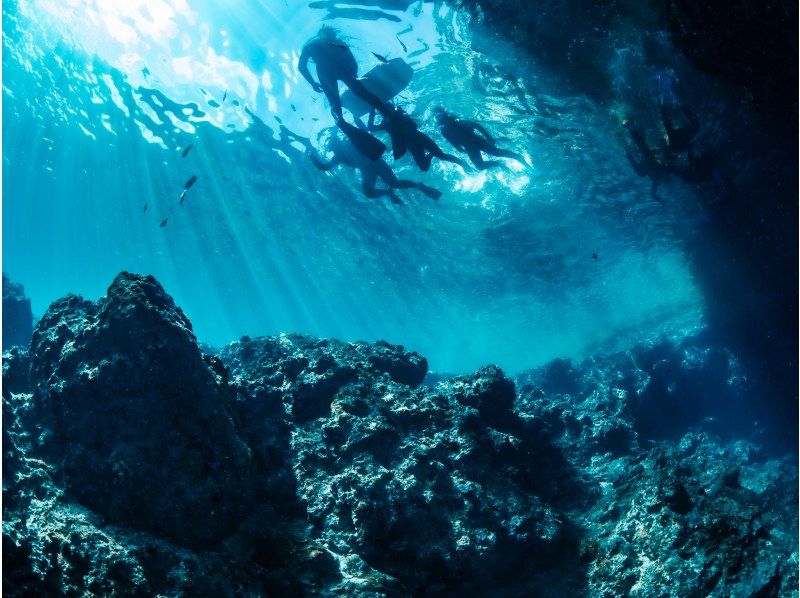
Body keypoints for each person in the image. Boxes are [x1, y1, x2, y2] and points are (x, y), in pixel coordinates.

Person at [298, 27, 387, 159]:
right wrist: (312, 82)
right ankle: (384, 112)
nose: (330, 36)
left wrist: (313, 83)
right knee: (359, 96)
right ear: (324, 35)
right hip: (338, 72)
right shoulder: (318, 45)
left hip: (333, 74)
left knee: (342, 102)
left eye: (331, 35)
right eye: (330, 34)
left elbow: (302, 66)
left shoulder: (315, 46)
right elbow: (302, 66)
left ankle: (343, 121)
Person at [308, 130, 442, 203]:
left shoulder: (346, 147)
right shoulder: (340, 154)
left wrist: (312, 156)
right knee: (371, 191)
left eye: (332, 147)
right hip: (373, 166)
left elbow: (324, 167)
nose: (333, 150)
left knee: (392, 184)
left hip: (375, 163)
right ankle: (393, 191)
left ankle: (418, 186)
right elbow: (324, 167)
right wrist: (313, 157)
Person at [367, 104, 467, 171]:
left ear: (392, 109)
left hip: (420, 138)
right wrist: (371, 113)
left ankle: (461, 163)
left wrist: (399, 111)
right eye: (383, 112)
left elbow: (412, 118)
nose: (385, 112)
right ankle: (432, 153)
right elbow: (371, 127)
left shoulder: (400, 114)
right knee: (424, 168)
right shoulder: (385, 123)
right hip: (411, 145)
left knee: (441, 155)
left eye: (388, 109)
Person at [433, 108, 527, 170]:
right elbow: (452, 142)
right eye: (436, 116)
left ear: (445, 114)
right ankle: (498, 163)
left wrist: (489, 137)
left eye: (439, 114)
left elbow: (477, 125)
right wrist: (459, 149)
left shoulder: (460, 122)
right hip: (469, 147)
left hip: (478, 141)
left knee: (497, 153)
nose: (438, 117)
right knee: (480, 166)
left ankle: (517, 156)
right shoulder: (444, 131)